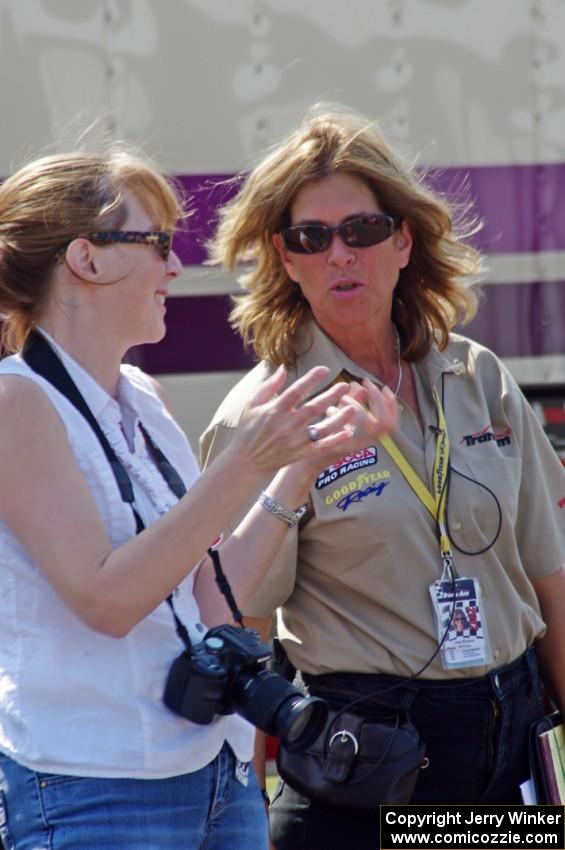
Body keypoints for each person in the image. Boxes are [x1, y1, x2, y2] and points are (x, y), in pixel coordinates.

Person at [0, 145, 398, 850]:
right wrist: (243, 465)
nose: (175, 267)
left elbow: (211, 600)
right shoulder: (15, 401)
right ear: (86, 260)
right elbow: (108, 602)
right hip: (96, 793)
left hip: (217, 776)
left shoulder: (143, 398)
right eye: (156, 242)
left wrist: (299, 468)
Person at [200, 104, 565, 849]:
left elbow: (549, 577)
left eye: (361, 231)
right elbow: (238, 627)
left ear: (402, 241)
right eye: (312, 237)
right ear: (285, 257)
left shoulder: (477, 376)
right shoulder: (261, 417)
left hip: (507, 762)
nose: (340, 254)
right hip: (370, 770)